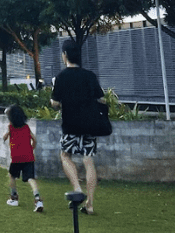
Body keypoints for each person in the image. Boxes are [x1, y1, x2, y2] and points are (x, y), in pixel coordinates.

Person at [50, 38, 105, 216]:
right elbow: (102, 99)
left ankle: (77, 188)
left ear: (65, 55)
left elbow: (55, 103)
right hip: (90, 125)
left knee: (65, 155)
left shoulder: (61, 77)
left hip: (71, 125)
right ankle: (89, 205)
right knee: (88, 160)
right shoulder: (90, 76)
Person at [1, 104, 43, 212]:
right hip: (28, 157)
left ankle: (14, 197)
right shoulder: (26, 128)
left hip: (16, 158)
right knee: (30, 178)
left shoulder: (11, 128)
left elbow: (4, 137)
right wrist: (32, 147)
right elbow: (35, 140)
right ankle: (38, 199)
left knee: (12, 175)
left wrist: (6, 134)